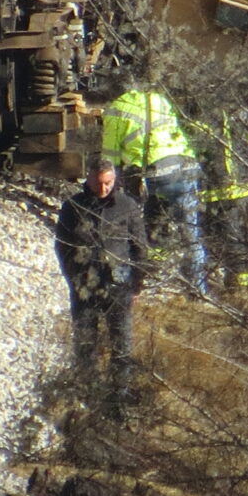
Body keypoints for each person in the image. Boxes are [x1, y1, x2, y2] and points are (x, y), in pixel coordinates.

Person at [97, 80, 209, 298]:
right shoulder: (157, 99)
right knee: (191, 234)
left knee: (144, 227)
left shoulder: (116, 109)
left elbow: (110, 157)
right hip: (185, 167)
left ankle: (143, 280)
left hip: (153, 174)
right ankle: (198, 292)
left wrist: (107, 193)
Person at [55, 156, 147, 371]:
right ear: (88, 179)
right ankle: (86, 390)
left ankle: (119, 394)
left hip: (119, 283)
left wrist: (137, 284)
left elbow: (140, 247)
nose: (103, 188)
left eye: (108, 183)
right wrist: (73, 278)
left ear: (114, 180)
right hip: (84, 284)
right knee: (85, 344)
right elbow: (62, 247)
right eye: (99, 183)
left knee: (121, 345)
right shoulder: (72, 207)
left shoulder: (127, 205)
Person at [199, 109, 248, 289]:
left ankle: (238, 284)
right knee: (233, 234)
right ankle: (238, 282)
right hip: (245, 179)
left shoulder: (205, 113)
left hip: (225, 186)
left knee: (230, 234)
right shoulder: (233, 105)